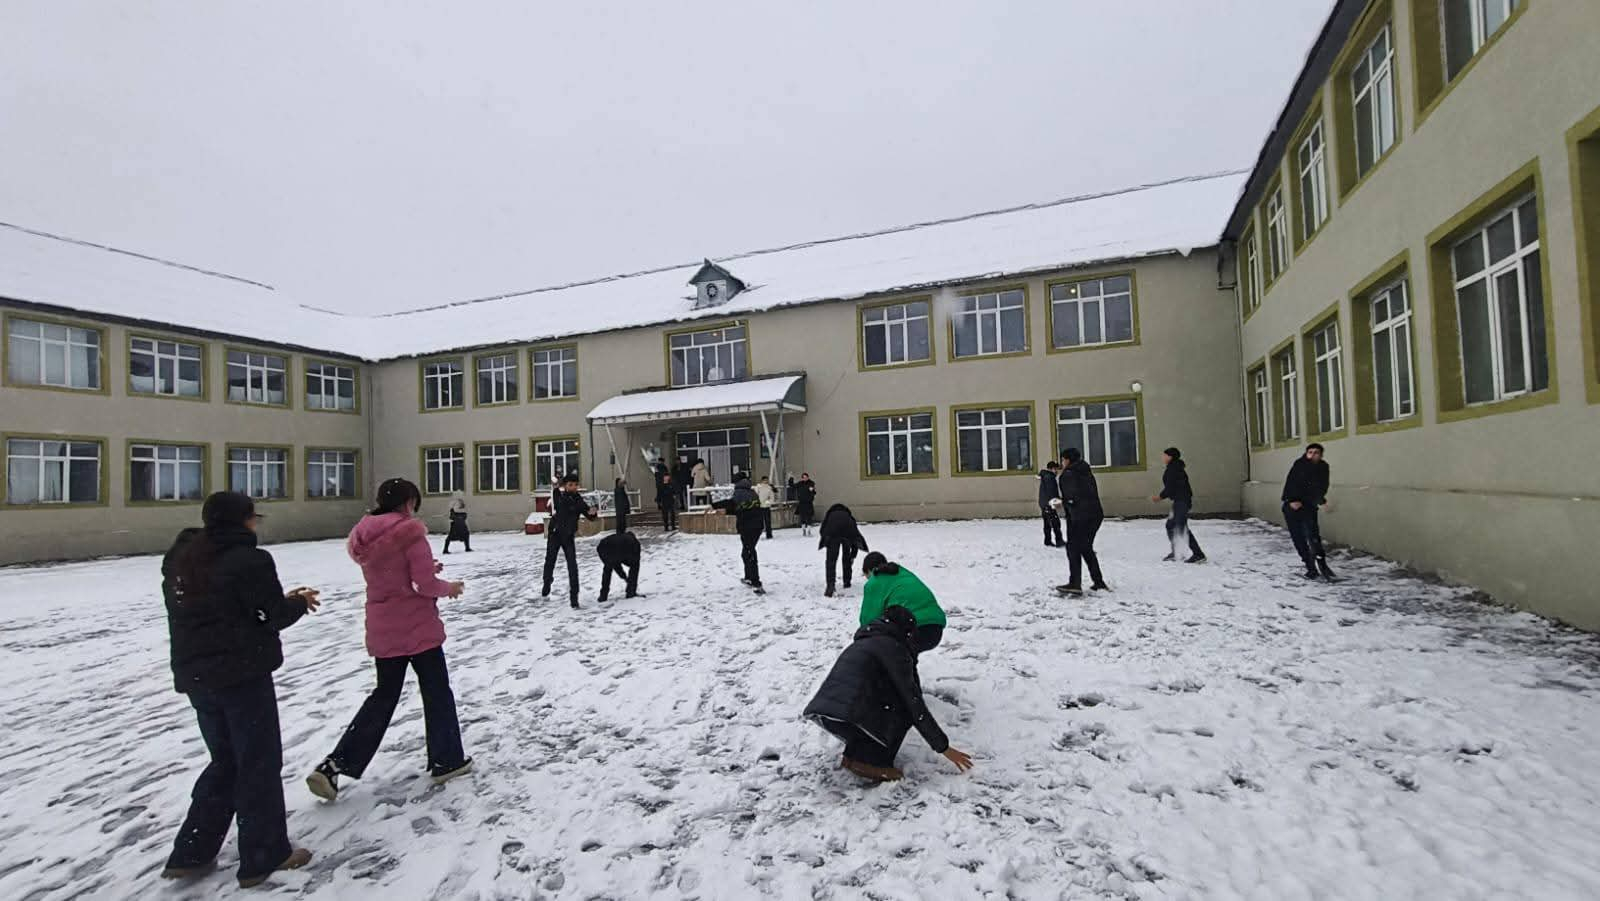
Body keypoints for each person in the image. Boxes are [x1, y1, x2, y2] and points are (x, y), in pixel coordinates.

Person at [160, 492, 317, 889]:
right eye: (254, 518)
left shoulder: (183, 558)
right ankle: (264, 855)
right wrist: (297, 603)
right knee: (257, 763)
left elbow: (224, 608)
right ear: (244, 521)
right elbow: (270, 616)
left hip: (199, 676)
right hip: (241, 675)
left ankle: (192, 852)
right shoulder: (250, 561)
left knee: (225, 761)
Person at [307, 478, 471, 802]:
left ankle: (334, 765)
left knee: (382, 697)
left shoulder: (366, 536)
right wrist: (448, 587)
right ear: (409, 501)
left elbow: (394, 574)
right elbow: (422, 585)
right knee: (437, 691)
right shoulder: (410, 533)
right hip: (418, 628)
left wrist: (426, 569)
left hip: (384, 627)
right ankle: (447, 759)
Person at [803, 606, 974, 783]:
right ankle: (874, 764)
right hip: (848, 717)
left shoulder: (866, 640)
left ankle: (853, 757)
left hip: (828, 712)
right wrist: (943, 747)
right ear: (906, 632)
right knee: (902, 710)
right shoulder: (895, 649)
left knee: (882, 703)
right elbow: (913, 702)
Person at [859, 552, 946, 652]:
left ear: (869, 570)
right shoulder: (902, 573)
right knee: (905, 657)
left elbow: (868, 621)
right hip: (935, 627)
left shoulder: (874, 581)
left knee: (890, 657)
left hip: (914, 628)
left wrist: (860, 646)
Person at [1054, 448, 1108, 595]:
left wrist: (1061, 504)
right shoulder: (1085, 471)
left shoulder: (1068, 474)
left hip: (1080, 516)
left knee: (1073, 548)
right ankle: (1098, 582)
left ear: (1067, 460)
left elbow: (1073, 498)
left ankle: (1074, 583)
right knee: (1085, 547)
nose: (1062, 463)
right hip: (1095, 514)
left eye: (1063, 460)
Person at [543, 473, 597, 607]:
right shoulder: (560, 497)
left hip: (568, 537)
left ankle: (574, 597)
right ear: (565, 486)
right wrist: (555, 486)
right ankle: (547, 582)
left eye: (575, 485)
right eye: (570, 485)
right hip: (555, 535)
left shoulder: (579, 501)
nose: (573, 487)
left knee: (572, 566)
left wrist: (593, 513)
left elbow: (590, 516)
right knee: (550, 561)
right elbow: (556, 499)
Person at [1282, 443, 1334, 579]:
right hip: (1292, 506)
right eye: (1309, 452)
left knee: (1313, 537)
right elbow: (1292, 483)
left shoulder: (1323, 467)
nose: (1312, 455)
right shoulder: (1300, 465)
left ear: (1321, 455)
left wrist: (1321, 500)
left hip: (1309, 506)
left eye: (1316, 452)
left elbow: (1321, 486)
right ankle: (1310, 567)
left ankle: (1323, 565)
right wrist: (1293, 500)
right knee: (1298, 538)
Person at [1150, 446, 1205, 563]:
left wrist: (1159, 497)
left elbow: (1171, 487)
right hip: (1179, 501)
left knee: (1181, 527)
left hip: (1182, 501)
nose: (1163, 457)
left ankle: (1198, 554)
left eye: (1165, 455)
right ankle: (1176, 552)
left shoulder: (1174, 469)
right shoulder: (1174, 467)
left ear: (1170, 457)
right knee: (1171, 525)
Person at [722, 477, 767, 591]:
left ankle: (756, 582)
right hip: (757, 526)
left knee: (749, 552)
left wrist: (714, 506)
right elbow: (742, 508)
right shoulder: (752, 492)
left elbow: (732, 504)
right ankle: (749, 577)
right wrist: (726, 511)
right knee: (747, 552)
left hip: (747, 527)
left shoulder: (739, 492)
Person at [818, 502, 869, 597]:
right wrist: (853, 556)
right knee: (846, 557)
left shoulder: (830, 515)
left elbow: (822, 530)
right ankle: (847, 582)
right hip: (847, 534)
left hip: (832, 535)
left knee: (831, 560)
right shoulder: (848, 517)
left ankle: (830, 585)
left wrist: (826, 541)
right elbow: (855, 537)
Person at [596, 530, 642, 602]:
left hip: (603, 546)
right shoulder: (635, 543)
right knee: (635, 566)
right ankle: (631, 592)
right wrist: (628, 579)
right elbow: (634, 562)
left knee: (607, 569)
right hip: (609, 547)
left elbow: (616, 564)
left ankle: (603, 596)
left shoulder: (619, 537)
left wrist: (624, 576)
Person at [1038, 461, 1065, 547]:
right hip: (1049, 504)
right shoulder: (1050, 478)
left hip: (1043, 503)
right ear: (1052, 468)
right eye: (1056, 469)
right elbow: (1052, 493)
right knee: (1055, 523)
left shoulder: (1045, 476)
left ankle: (1047, 540)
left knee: (1047, 523)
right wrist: (1057, 505)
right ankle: (1059, 540)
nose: (1057, 471)